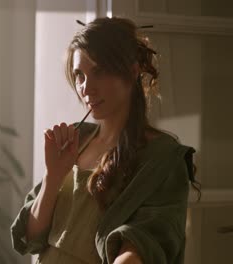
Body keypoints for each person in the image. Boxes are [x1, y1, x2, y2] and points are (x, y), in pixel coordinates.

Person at [10, 16, 200, 264]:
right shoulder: (76, 141)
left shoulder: (162, 157)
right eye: (79, 74)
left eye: (98, 71)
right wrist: (53, 176)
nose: (86, 88)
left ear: (132, 71)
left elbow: (145, 245)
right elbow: (32, 237)